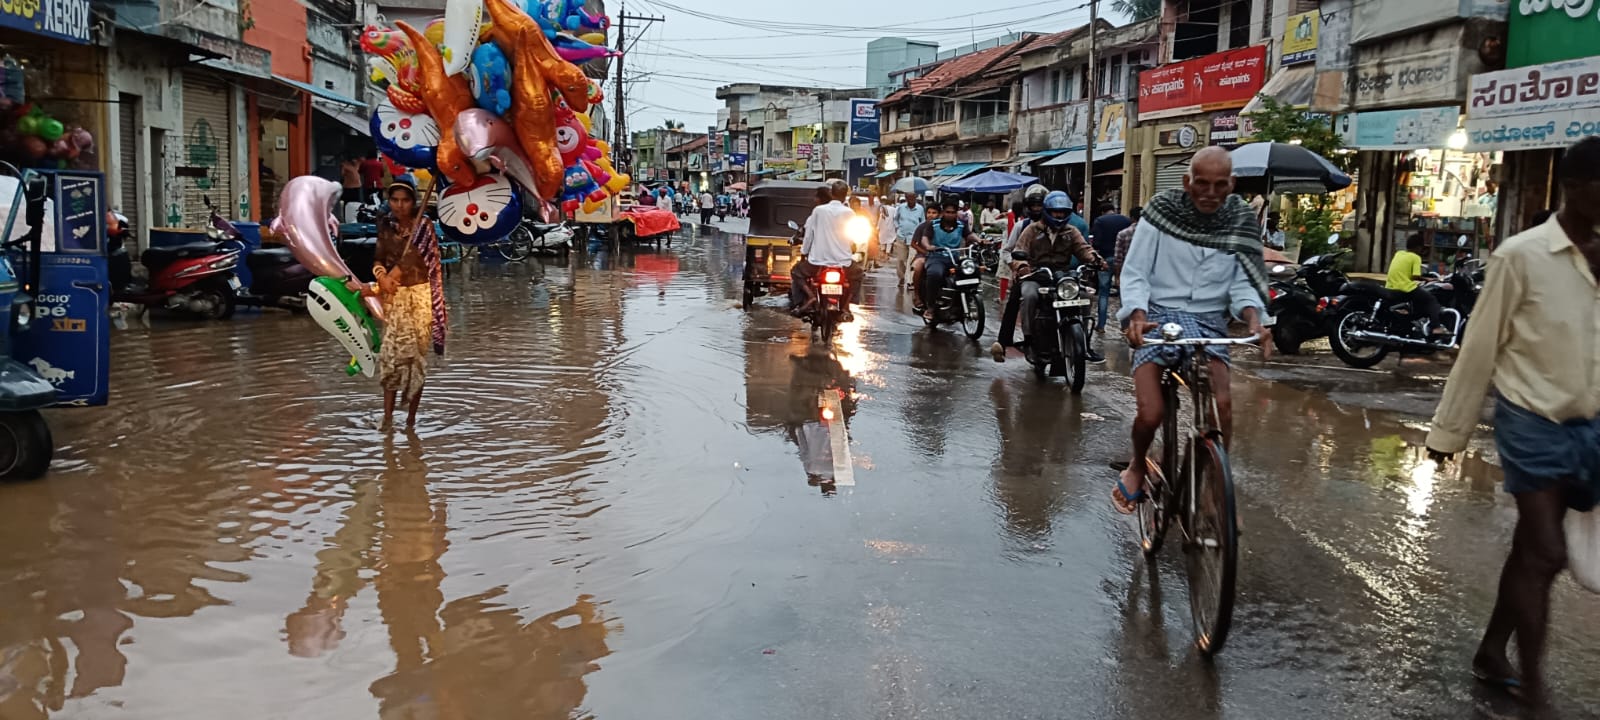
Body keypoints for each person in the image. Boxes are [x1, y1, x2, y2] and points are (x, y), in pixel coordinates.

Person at [1425, 137, 1600, 703]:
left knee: (1531, 550)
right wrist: (1448, 432)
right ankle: (1536, 692)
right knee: (1548, 552)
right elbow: (1479, 348)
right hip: (1532, 421)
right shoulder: (1520, 256)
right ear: (1573, 188)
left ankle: (1491, 650)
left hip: (1590, 424)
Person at [1113, 146, 1270, 514]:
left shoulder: (1241, 219)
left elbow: (1244, 283)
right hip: (1156, 317)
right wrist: (1136, 314)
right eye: (1202, 183)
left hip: (1208, 323)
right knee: (1151, 413)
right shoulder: (1160, 212)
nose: (1210, 193)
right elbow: (1135, 272)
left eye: (1220, 185)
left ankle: (1215, 485)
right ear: (1187, 182)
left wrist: (1254, 320)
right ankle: (1138, 464)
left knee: (1223, 407)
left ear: (1231, 184)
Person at [370, 176, 439, 430]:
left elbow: (414, 258)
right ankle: (387, 419)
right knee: (390, 358)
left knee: (414, 360)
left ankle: (410, 422)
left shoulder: (425, 226)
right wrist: (381, 276)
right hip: (395, 298)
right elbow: (378, 257)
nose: (399, 206)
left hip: (420, 297)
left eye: (405, 200)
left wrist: (391, 277)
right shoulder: (385, 224)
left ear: (413, 202)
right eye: (394, 200)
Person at [1004, 191, 1105, 362]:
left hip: (1061, 276)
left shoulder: (1071, 231)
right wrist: (1022, 266)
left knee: (1085, 296)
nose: (1059, 215)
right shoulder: (1031, 230)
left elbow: (1083, 249)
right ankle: (1028, 339)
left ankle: (1084, 342)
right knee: (1029, 295)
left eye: (1063, 212)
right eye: (1055, 212)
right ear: (1047, 211)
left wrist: (1097, 260)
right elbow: (1018, 251)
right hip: (1036, 274)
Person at [791, 180, 862, 321]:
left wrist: (804, 252)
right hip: (843, 263)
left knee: (796, 272)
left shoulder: (818, 211)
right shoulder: (850, 213)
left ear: (832, 193)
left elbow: (809, 235)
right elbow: (854, 237)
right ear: (845, 195)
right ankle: (846, 306)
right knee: (858, 275)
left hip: (817, 262)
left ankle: (810, 298)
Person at [913, 197, 981, 319]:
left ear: (957, 213)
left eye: (953, 212)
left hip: (954, 258)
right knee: (934, 274)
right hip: (936, 258)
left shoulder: (961, 225)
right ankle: (931, 307)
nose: (950, 215)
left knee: (973, 270)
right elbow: (924, 239)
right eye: (948, 212)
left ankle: (968, 299)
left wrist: (980, 240)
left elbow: (970, 235)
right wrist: (928, 247)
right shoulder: (933, 225)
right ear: (943, 212)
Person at [1386, 232, 1445, 336]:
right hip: (1405, 288)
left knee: (1418, 301)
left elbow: (1404, 272)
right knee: (1431, 300)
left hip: (1390, 287)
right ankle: (1436, 327)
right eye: (1422, 248)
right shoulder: (1415, 257)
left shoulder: (1398, 253)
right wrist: (1428, 279)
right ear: (1418, 247)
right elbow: (1415, 276)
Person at [1088, 202, 1132, 334]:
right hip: (1124, 261)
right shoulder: (1126, 220)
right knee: (1123, 294)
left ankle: (1101, 326)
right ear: (1113, 210)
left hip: (1105, 260)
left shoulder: (1100, 221)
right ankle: (1125, 326)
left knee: (1103, 293)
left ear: (1102, 212)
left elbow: (1096, 242)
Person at [891, 193, 924, 290]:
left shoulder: (920, 209)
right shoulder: (901, 207)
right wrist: (897, 227)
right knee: (901, 260)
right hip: (901, 236)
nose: (911, 200)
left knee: (912, 260)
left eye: (912, 198)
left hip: (914, 238)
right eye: (908, 198)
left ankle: (911, 281)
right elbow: (895, 219)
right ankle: (901, 278)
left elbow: (922, 222)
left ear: (915, 198)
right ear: (906, 198)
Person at [1114, 206, 1143, 282]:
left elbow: (1118, 258)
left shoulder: (1123, 233)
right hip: (1146, 271)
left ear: (1132, 218)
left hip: (1128, 270)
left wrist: (1117, 276)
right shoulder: (1152, 234)